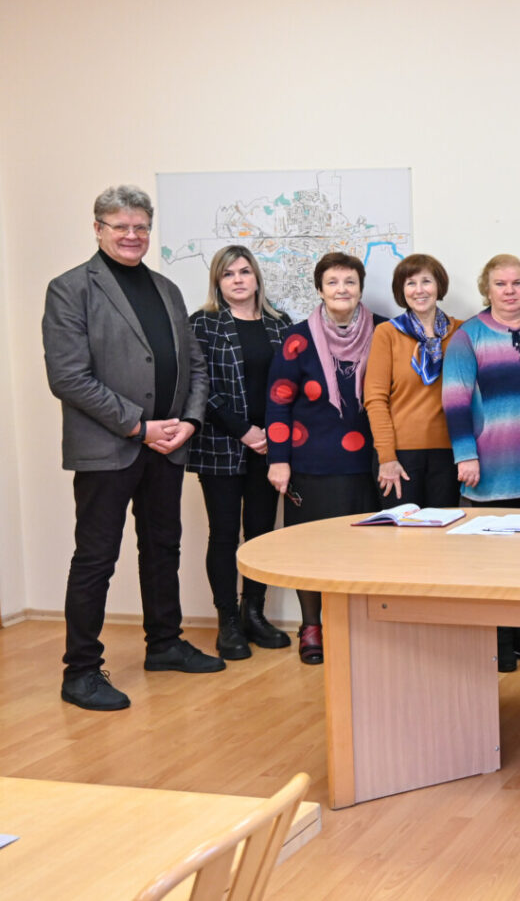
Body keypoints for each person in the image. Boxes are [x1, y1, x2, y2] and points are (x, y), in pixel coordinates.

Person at [43, 184, 218, 711]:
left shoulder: (166, 288)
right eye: (120, 226)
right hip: (108, 447)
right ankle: (80, 671)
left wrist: (189, 421)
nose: (132, 235)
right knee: (96, 557)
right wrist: (139, 427)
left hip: (168, 445)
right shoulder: (70, 289)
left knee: (163, 547)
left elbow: (196, 365)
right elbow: (68, 377)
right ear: (98, 229)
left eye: (140, 226)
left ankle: (164, 644)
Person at [444, 254, 520, 671]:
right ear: (487, 289)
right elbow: (455, 401)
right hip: (490, 467)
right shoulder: (468, 336)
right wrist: (465, 455)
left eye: (517, 283)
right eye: (500, 284)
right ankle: (500, 641)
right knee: (493, 562)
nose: (510, 291)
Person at [265, 252, 379, 665]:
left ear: (360, 288)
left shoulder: (384, 331)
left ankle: (360, 630)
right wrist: (278, 459)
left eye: (349, 281)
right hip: (310, 465)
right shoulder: (297, 339)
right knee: (311, 550)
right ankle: (311, 627)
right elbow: (278, 401)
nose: (341, 289)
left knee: (365, 551)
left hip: (368, 465)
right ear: (319, 289)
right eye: (332, 282)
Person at [186, 245, 293, 661]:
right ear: (218, 281)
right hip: (221, 444)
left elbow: (289, 384)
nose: (237, 280)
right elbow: (199, 386)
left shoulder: (279, 324)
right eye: (228, 273)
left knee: (262, 532)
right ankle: (227, 621)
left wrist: (272, 436)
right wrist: (244, 431)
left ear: (256, 277)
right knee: (225, 533)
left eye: (244, 271)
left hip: (270, 445)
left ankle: (254, 614)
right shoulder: (203, 324)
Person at [364, 254, 463, 507]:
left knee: (444, 530)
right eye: (410, 283)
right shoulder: (387, 333)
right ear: (401, 290)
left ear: (439, 286)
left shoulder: (461, 332)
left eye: (426, 281)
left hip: (449, 454)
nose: (419, 290)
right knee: (402, 531)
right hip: (399, 456)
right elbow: (375, 399)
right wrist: (387, 457)